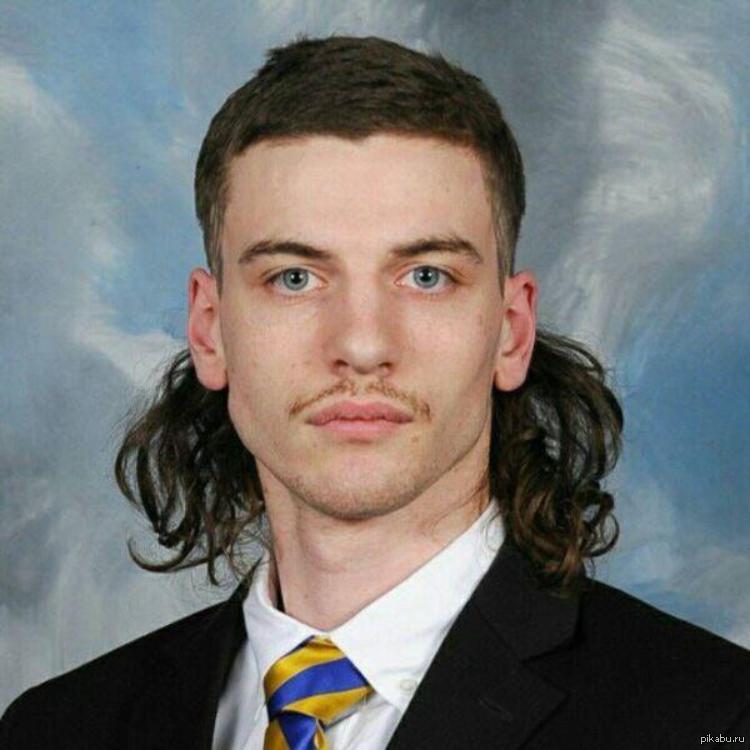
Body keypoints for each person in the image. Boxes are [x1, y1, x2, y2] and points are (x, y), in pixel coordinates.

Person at [2, 34, 748, 750]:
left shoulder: (714, 718)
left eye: (426, 276)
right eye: (295, 278)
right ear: (210, 330)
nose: (361, 344)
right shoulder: (55, 731)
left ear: (511, 331)